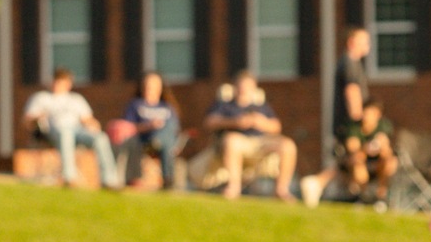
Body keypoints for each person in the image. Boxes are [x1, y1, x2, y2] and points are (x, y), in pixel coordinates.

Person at [205, 72, 298, 203]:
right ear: (235, 87)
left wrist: (260, 122)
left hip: (261, 143)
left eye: (248, 86)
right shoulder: (225, 105)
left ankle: (281, 190)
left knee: (288, 145)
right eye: (241, 86)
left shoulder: (261, 107)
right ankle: (234, 187)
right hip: (238, 142)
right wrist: (235, 122)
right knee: (231, 140)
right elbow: (210, 122)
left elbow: (276, 126)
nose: (244, 89)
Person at [22, 68, 117, 189]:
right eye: (57, 82)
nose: (59, 85)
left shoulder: (76, 99)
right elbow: (27, 121)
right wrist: (37, 117)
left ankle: (109, 180)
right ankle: (69, 177)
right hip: (52, 131)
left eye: (63, 82)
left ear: (69, 84)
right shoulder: (42, 98)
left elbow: (87, 119)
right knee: (65, 133)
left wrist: (94, 126)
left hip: (77, 130)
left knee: (101, 138)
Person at [112, 74, 183, 191]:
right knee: (166, 134)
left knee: (169, 127)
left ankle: (160, 143)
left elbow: (175, 130)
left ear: (160, 87)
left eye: (153, 85)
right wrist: (149, 126)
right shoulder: (135, 105)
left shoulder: (167, 107)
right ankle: (168, 178)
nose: (149, 88)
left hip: (166, 143)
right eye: (147, 85)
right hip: (144, 141)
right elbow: (127, 128)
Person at [332, 100, 398, 206]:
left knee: (391, 162)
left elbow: (388, 153)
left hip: (378, 164)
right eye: (365, 113)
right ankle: (363, 196)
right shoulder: (354, 127)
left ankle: (381, 198)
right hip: (358, 163)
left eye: (370, 114)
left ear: (377, 115)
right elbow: (352, 149)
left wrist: (382, 146)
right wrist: (366, 149)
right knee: (358, 160)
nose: (366, 117)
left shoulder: (384, 126)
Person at [332, 25, 375, 149]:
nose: (368, 44)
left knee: (342, 167)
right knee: (354, 160)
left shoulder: (352, 62)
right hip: (350, 125)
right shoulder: (349, 63)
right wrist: (358, 120)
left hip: (348, 124)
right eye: (364, 41)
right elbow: (351, 90)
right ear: (351, 42)